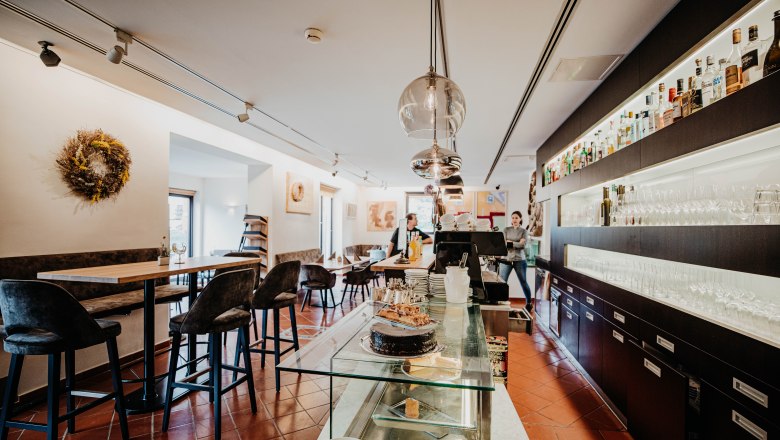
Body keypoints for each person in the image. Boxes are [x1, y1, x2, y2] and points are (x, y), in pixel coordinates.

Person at [499, 210, 533, 311]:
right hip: (507, 259)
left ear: (520, 219)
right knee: (502, 282)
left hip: (520, 260)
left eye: (516, 218)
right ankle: (500, 302)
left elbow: (522, 245)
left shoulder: (524, 231)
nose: (514, 220)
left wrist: (510, 242)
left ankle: (529, 303)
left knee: (523, 282)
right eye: (513, 217)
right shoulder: (506, 229)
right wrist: (516, 242)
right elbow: (503, 244)